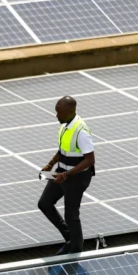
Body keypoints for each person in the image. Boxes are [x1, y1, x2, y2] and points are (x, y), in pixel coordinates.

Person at [38, 96, 96, 255]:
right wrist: (50, 164)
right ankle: (70, 238)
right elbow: (63, 150)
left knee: (71, 214)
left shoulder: (81, 131)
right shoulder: (65, 126)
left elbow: (90, 160)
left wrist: (67, 174)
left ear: (71, 111)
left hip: (77, 178)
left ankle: (76, 250)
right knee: (44, 203)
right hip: (61, 173)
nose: (56, 115)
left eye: (59, 112)